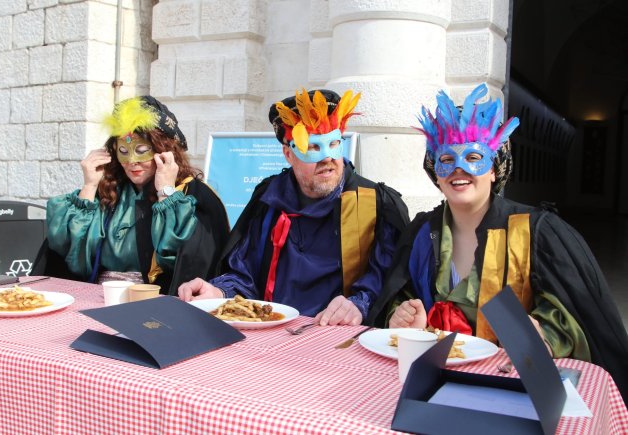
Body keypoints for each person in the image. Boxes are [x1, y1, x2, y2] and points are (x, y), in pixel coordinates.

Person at [367, 83, 628, 403]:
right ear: (436, 173)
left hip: (508, 388)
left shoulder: (536, 232)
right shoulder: (423, 233)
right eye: (447, 158)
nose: (459, 168)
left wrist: (544, 333)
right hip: (434, 385)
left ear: (494, 169)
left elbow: (575, 316)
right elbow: (400, 295)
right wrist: (402, 316)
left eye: (474, 157)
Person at [178, 89, 410, 325]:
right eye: (312, 147)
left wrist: (360, 303)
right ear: (288, 154)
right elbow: (245, 274)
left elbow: (390, 280)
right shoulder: (269, 200)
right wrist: (219, 293)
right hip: (272, 329)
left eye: (333, 143)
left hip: (337, 333)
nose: (327, 158)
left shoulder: (374, 204)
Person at [36, 96, 230, 295]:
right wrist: (89, 186)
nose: (131, 161)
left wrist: (166, 193)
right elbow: (67, 251)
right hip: (100, 295)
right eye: (123, 150)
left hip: (153, 298)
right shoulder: (110, 192)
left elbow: (183, 259)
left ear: (163, 151)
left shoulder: (192, 195)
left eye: (141, 150)